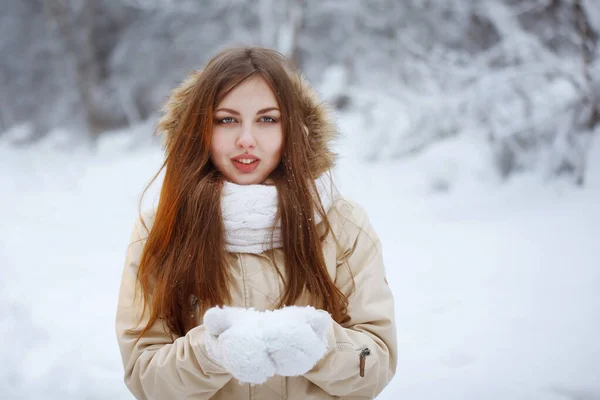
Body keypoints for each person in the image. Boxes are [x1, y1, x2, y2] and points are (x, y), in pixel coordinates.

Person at [115, 46, 397, 400]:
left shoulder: (341, 225)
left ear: (293, 129)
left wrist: (319, 344)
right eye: (226, 119)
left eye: (267, 119)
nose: (246, 139)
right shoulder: (161, 228)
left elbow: (376, 363)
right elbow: (144, 377)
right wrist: (210, 352)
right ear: (199, 129)